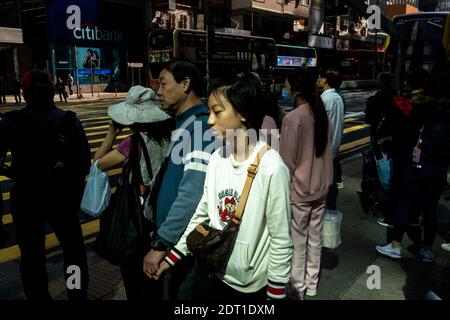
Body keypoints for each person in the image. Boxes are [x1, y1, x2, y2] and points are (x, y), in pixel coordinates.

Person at [154, 73, 293, 301]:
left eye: (217, 112)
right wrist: (173, 256)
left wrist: (275, 294)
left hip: (247, 287)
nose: (209, 120)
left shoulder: (271, 166)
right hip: (210, 273)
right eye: (210, 111)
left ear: (243, 113)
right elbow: (202, 214)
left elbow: (281, 239)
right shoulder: (218, 158)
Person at [0, 70, 91, 300]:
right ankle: (76, 294)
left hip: (26, 197)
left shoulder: (11, 122)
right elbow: (83, 163)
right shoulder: (69, 120)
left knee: (31, 257)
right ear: (52, 91)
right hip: (62, 198)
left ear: (25, 93)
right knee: (73, 253)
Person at [142, 61, 216, 300]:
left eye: (163, 84)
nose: (158, 92)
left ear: (185, 84)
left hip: (185, 248)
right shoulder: (184, 125)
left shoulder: (200, 127)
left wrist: (162, 244)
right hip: (176, 244)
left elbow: (191, 194)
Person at [93, 85, 173, 300]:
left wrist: (112, 132)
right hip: (163, 216)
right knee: (156, 281)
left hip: (137, 220)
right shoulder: (171, 137)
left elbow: (97, 164)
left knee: (135, 281)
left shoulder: (133, 143)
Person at [376, 66, 450, 263]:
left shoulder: (418, 107)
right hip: (440, 166)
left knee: (404, 203)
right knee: (430, 209)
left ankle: (395, 246)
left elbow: (398, 121)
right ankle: (427, 250)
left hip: (417, 162)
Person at [280, 68, 333, 300]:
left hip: (300, 190)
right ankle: (312, 284)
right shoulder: (320, 112)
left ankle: (297, 287)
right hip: (321, 187)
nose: (284, 87)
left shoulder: (293, 118)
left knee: (298, 240)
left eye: (287, 84)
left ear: (296, 88)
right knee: (316, 237)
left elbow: (287, 162)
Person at [317, 70, 345, 212]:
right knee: (331, 185)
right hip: (334, 149)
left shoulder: (324, 100)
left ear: (325, 80)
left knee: (323, 187)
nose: (318, 80)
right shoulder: (338, 98)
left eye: (320, 77)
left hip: (324, 150)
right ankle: (331, 213)